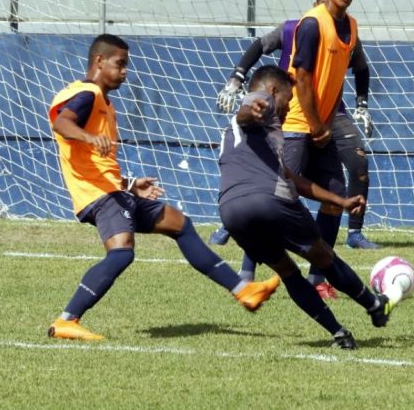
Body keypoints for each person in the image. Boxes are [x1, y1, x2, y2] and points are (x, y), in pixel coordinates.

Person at [47, 34, 279, 341]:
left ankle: (244, 290)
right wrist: (90, 138)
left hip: (115, 191)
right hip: (100, 197)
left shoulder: (103, 102)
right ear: (99, 62)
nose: (125, 71)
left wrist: (131, 185)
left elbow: (90, 162)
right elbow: (62, 123)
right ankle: (67, 319)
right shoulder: (88, 94)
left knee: (180, 224)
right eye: (120, 64)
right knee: (121, 254)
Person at [218, 64, 395, 349]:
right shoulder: (259, 105)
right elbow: (248, 108)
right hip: (270, 200)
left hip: (231, 212)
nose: (288, 110)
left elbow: (292, 177)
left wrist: (341, 201)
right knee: (322, 256)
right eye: (288, 101)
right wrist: (257, 106)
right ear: (273, 91)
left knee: (288, 272)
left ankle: (339, 333)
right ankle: (374, 305)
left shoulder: (240, 137)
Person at [214, 0, 381, 257]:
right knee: (279, 182)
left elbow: (361, 66)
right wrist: (237, 77)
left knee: (357, 163)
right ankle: (238, 237)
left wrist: (361, 104)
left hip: (331, 114)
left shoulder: (347, 30)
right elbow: (260, 46)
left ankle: (353, 233)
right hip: (294, 114)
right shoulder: (295, 27)